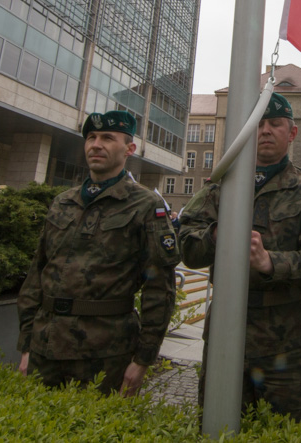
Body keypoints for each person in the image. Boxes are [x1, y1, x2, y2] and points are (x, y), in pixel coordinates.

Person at [178, 92, 301, 422]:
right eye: (258, 125)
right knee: (217, 424)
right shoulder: (220, 186)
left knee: (284, 430)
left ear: (292, 133)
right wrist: (214, 237)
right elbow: (187, 249)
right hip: (226, 332)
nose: (265, 131)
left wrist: (271, 262)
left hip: (286, 343)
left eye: (275, 124)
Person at [16, 110, 180, 395]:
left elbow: (160, 288)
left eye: (107, 138)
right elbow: (37, 275)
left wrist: (142, 360)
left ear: (129, 149)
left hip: (107, 353)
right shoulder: (62, 202)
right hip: (46, 347)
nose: (96, 144)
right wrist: (26, 346)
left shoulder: (145, 205)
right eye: (91, 137)